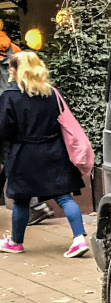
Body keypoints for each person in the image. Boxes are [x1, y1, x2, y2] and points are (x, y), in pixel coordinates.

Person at [0, 51, 88, 257]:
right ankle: (79, 239)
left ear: (15, 70)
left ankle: (16, 242)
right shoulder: (52, 94)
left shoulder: (9, 97)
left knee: (21, 199)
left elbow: (4, 130)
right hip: (54, 152)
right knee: (64, 197)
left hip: (24, 154)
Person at [0, 30, 53, 225]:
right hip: (16, 108)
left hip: (7, 110)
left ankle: (34, 206)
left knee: (11, 162)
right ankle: (36, 206)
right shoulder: (14, 50)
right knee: (9, 161)